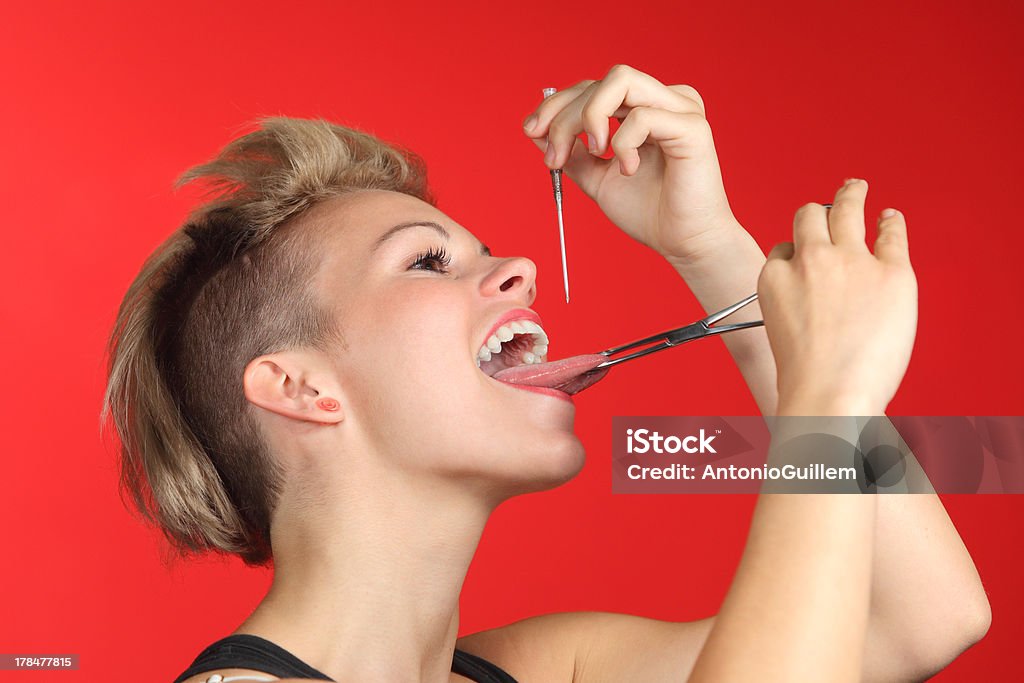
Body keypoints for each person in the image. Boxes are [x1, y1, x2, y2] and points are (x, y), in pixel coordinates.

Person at [102, 65, 990, 682]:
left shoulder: (549, 668)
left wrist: (714, 248)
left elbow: (920, 619)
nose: (520, 268)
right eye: (424, 262)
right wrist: (827, 396)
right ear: (300, 387)